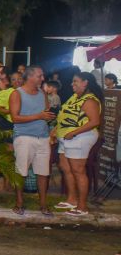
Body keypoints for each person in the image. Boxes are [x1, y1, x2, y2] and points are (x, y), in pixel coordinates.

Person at [53, 72, 102, 216]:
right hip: (66, 137)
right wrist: (56, 130)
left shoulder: (89, 100)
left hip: (79, 138)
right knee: (66, 168)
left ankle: (82, 206)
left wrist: (74, 133)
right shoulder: (75, 97)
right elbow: (65, 115)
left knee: (78, 171)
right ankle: (72, 199)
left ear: (85, 83)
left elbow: (95, 122)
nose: (72, 84)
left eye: (75, 82)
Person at [9, 65, 55, 216]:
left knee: (43, 172)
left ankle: (43, 204)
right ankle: (19, 202)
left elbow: (46, 113)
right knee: (21, 171)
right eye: (40, 76)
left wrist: (50, 119)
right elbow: (15, 118)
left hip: (43, 137)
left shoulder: (42, 93)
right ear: (29, 77)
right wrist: (39, 116)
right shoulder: (17, 94)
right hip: (24, 137)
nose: (43, 78)